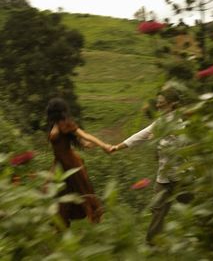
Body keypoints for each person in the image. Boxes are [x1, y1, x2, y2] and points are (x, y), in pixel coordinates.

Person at [110, 87, 193, 246]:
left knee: (190, 209)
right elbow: (139, 137)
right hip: (163, 178)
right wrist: (117, 147)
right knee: (157, 209)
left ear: (172, 104)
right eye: (158, 103)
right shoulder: (160, 122)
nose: (159, 107)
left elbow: (183, 142)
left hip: (182, 178)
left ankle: (202, 239)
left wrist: (163, 136)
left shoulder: (180, 121)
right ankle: (152, 246)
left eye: (162, 104)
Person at [46, 97, 111, 227]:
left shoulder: (66, 124)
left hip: (71, 163)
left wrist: (104, 145)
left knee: (83, 191)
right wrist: (83, 143)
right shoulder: (55, 124)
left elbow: (85, 135)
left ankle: (97, 220)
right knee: (58, 194)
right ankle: (60, 225)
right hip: (59, 165)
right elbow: (69, 139)